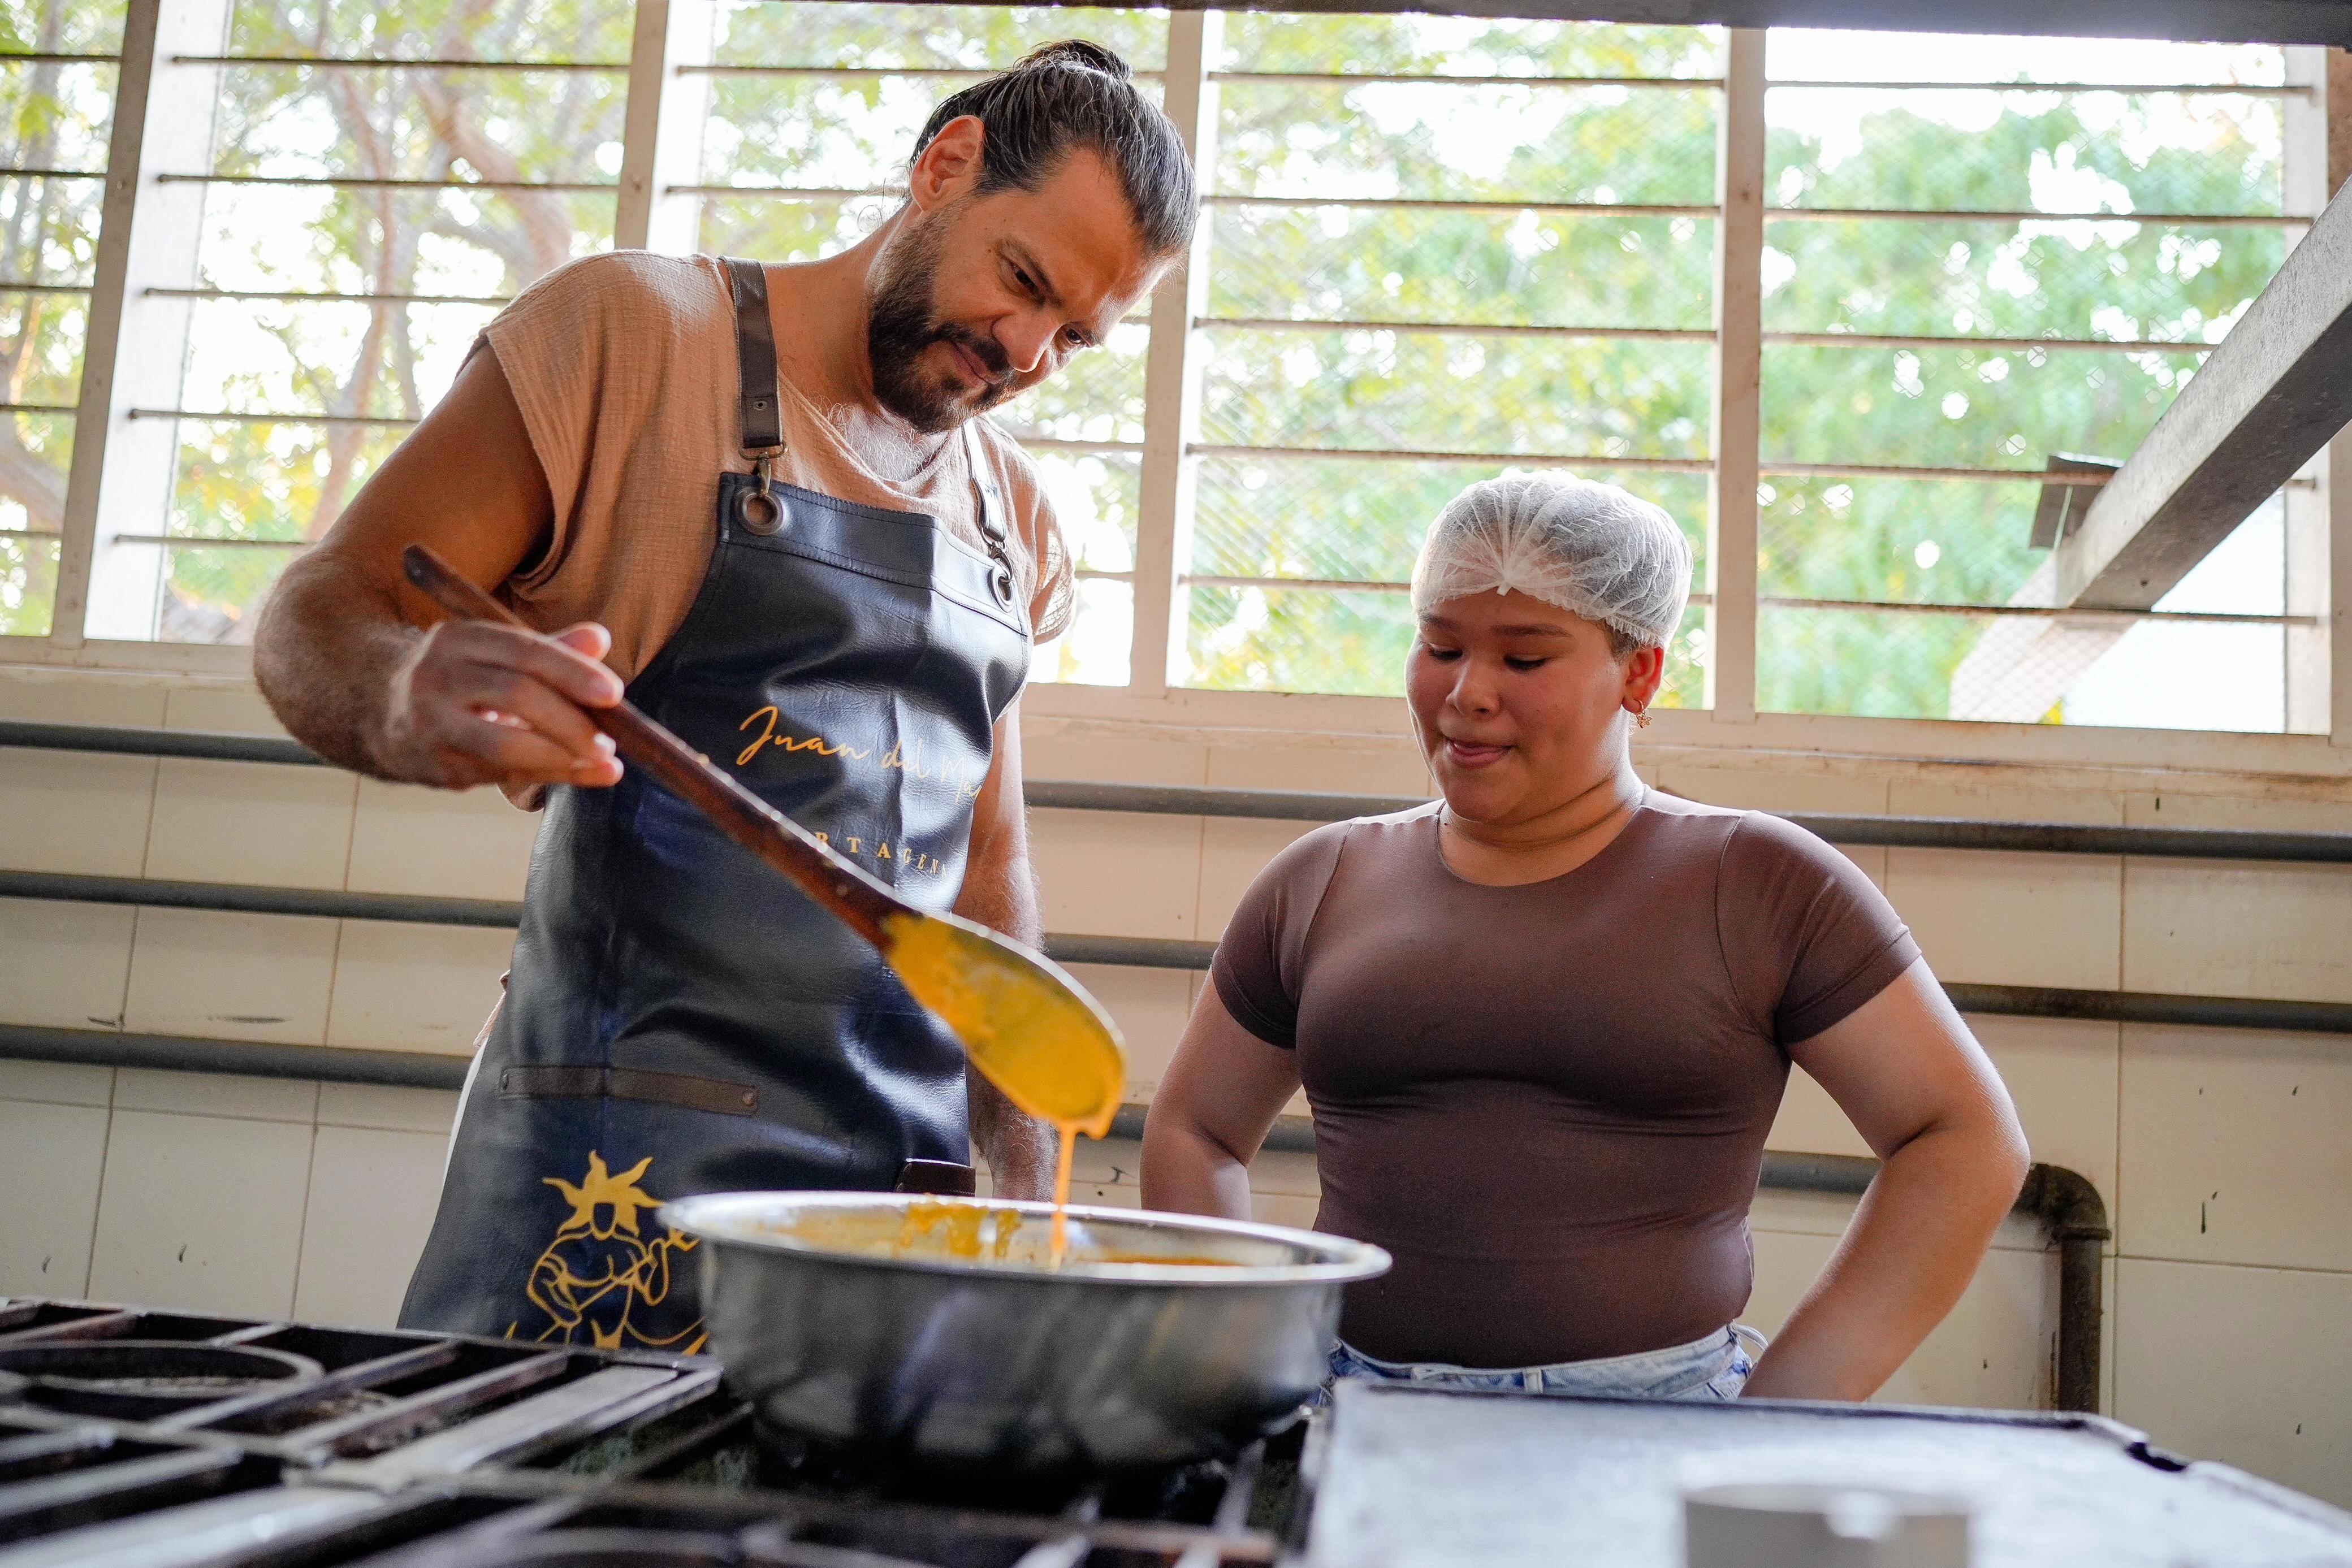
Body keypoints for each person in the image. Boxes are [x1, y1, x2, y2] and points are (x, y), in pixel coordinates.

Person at [253, 41, 1197, 1350]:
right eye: (1023, 280)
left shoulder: (1012, 520)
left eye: (1075, 337)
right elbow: (322, 607)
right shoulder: (637, 339)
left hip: (887, 1236)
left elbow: (991, 876)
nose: (1024, 350)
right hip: (613, 1203)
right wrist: (404, 690)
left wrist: (1025, 1190)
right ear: (945, 168)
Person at [1140, 474, 2030, 1402]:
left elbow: (1964, 1138)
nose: (1468, 692)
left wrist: (1781, 1412)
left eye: (1525, 660)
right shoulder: (1322, 881)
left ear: (1639, 672)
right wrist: (1234, 1358)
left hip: (1657, 1420)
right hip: (1351, 1406)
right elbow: (1195, 1126)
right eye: (1440, 645)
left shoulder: (1759, 881)